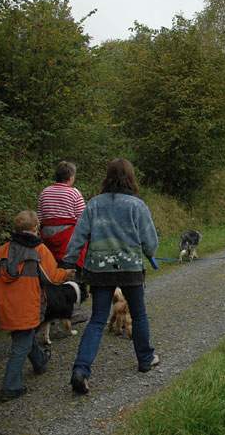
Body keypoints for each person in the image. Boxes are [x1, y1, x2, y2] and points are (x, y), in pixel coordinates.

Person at [64, 158, 159, 395]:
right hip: (130, 267)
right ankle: (146, 360)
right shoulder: (137, 206)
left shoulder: (94, 205)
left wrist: (69, 260)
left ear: (107, 177)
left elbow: (78, 237)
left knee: (97, 319)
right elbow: (150, 241)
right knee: (139, 315)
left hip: (99, 269)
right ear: (130, 177)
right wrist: (149, 253)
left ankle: (81, 370)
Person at [0, 210, 73, 401]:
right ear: (36, 228)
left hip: (6, 304)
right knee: (21, 342)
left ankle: (40, 362)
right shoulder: (39, 249)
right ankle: (10, 386)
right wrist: (67, 273)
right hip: (28, 303)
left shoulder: (2, 250)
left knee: (24, 334)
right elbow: (52, 277)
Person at [37, 161, 87, 266]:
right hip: (67, 238)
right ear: (71, 177)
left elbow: (40, 217)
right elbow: (83, 218)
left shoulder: (45, 192)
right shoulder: (74, 193)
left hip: (47, 236)